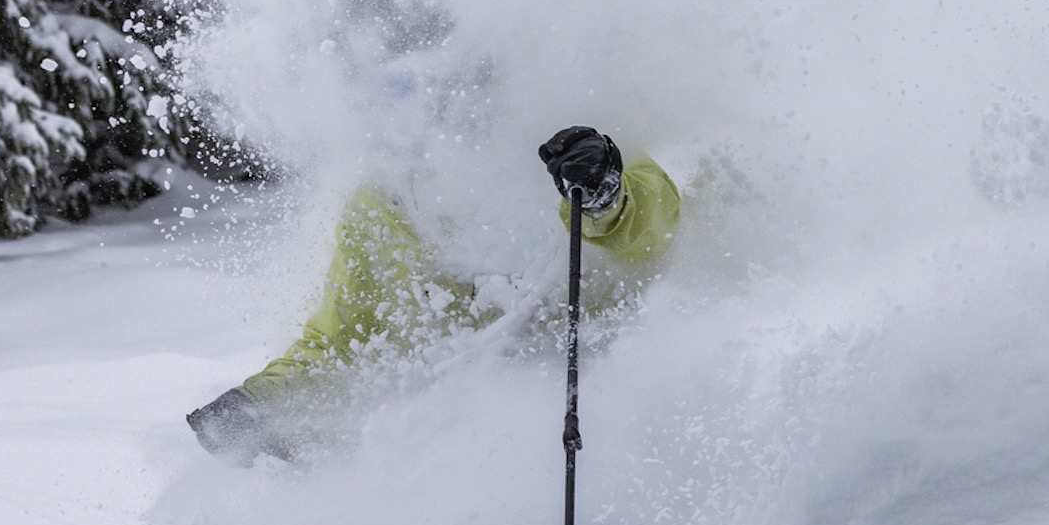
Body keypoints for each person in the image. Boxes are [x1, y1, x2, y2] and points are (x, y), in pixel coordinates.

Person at [186, 126, 680, 460]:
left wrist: (603, 193)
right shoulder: (384, 195)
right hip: (454, 445)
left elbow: (656, 230)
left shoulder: (566, 141)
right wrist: (259, 404)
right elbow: (343, 343)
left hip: (588, 416)